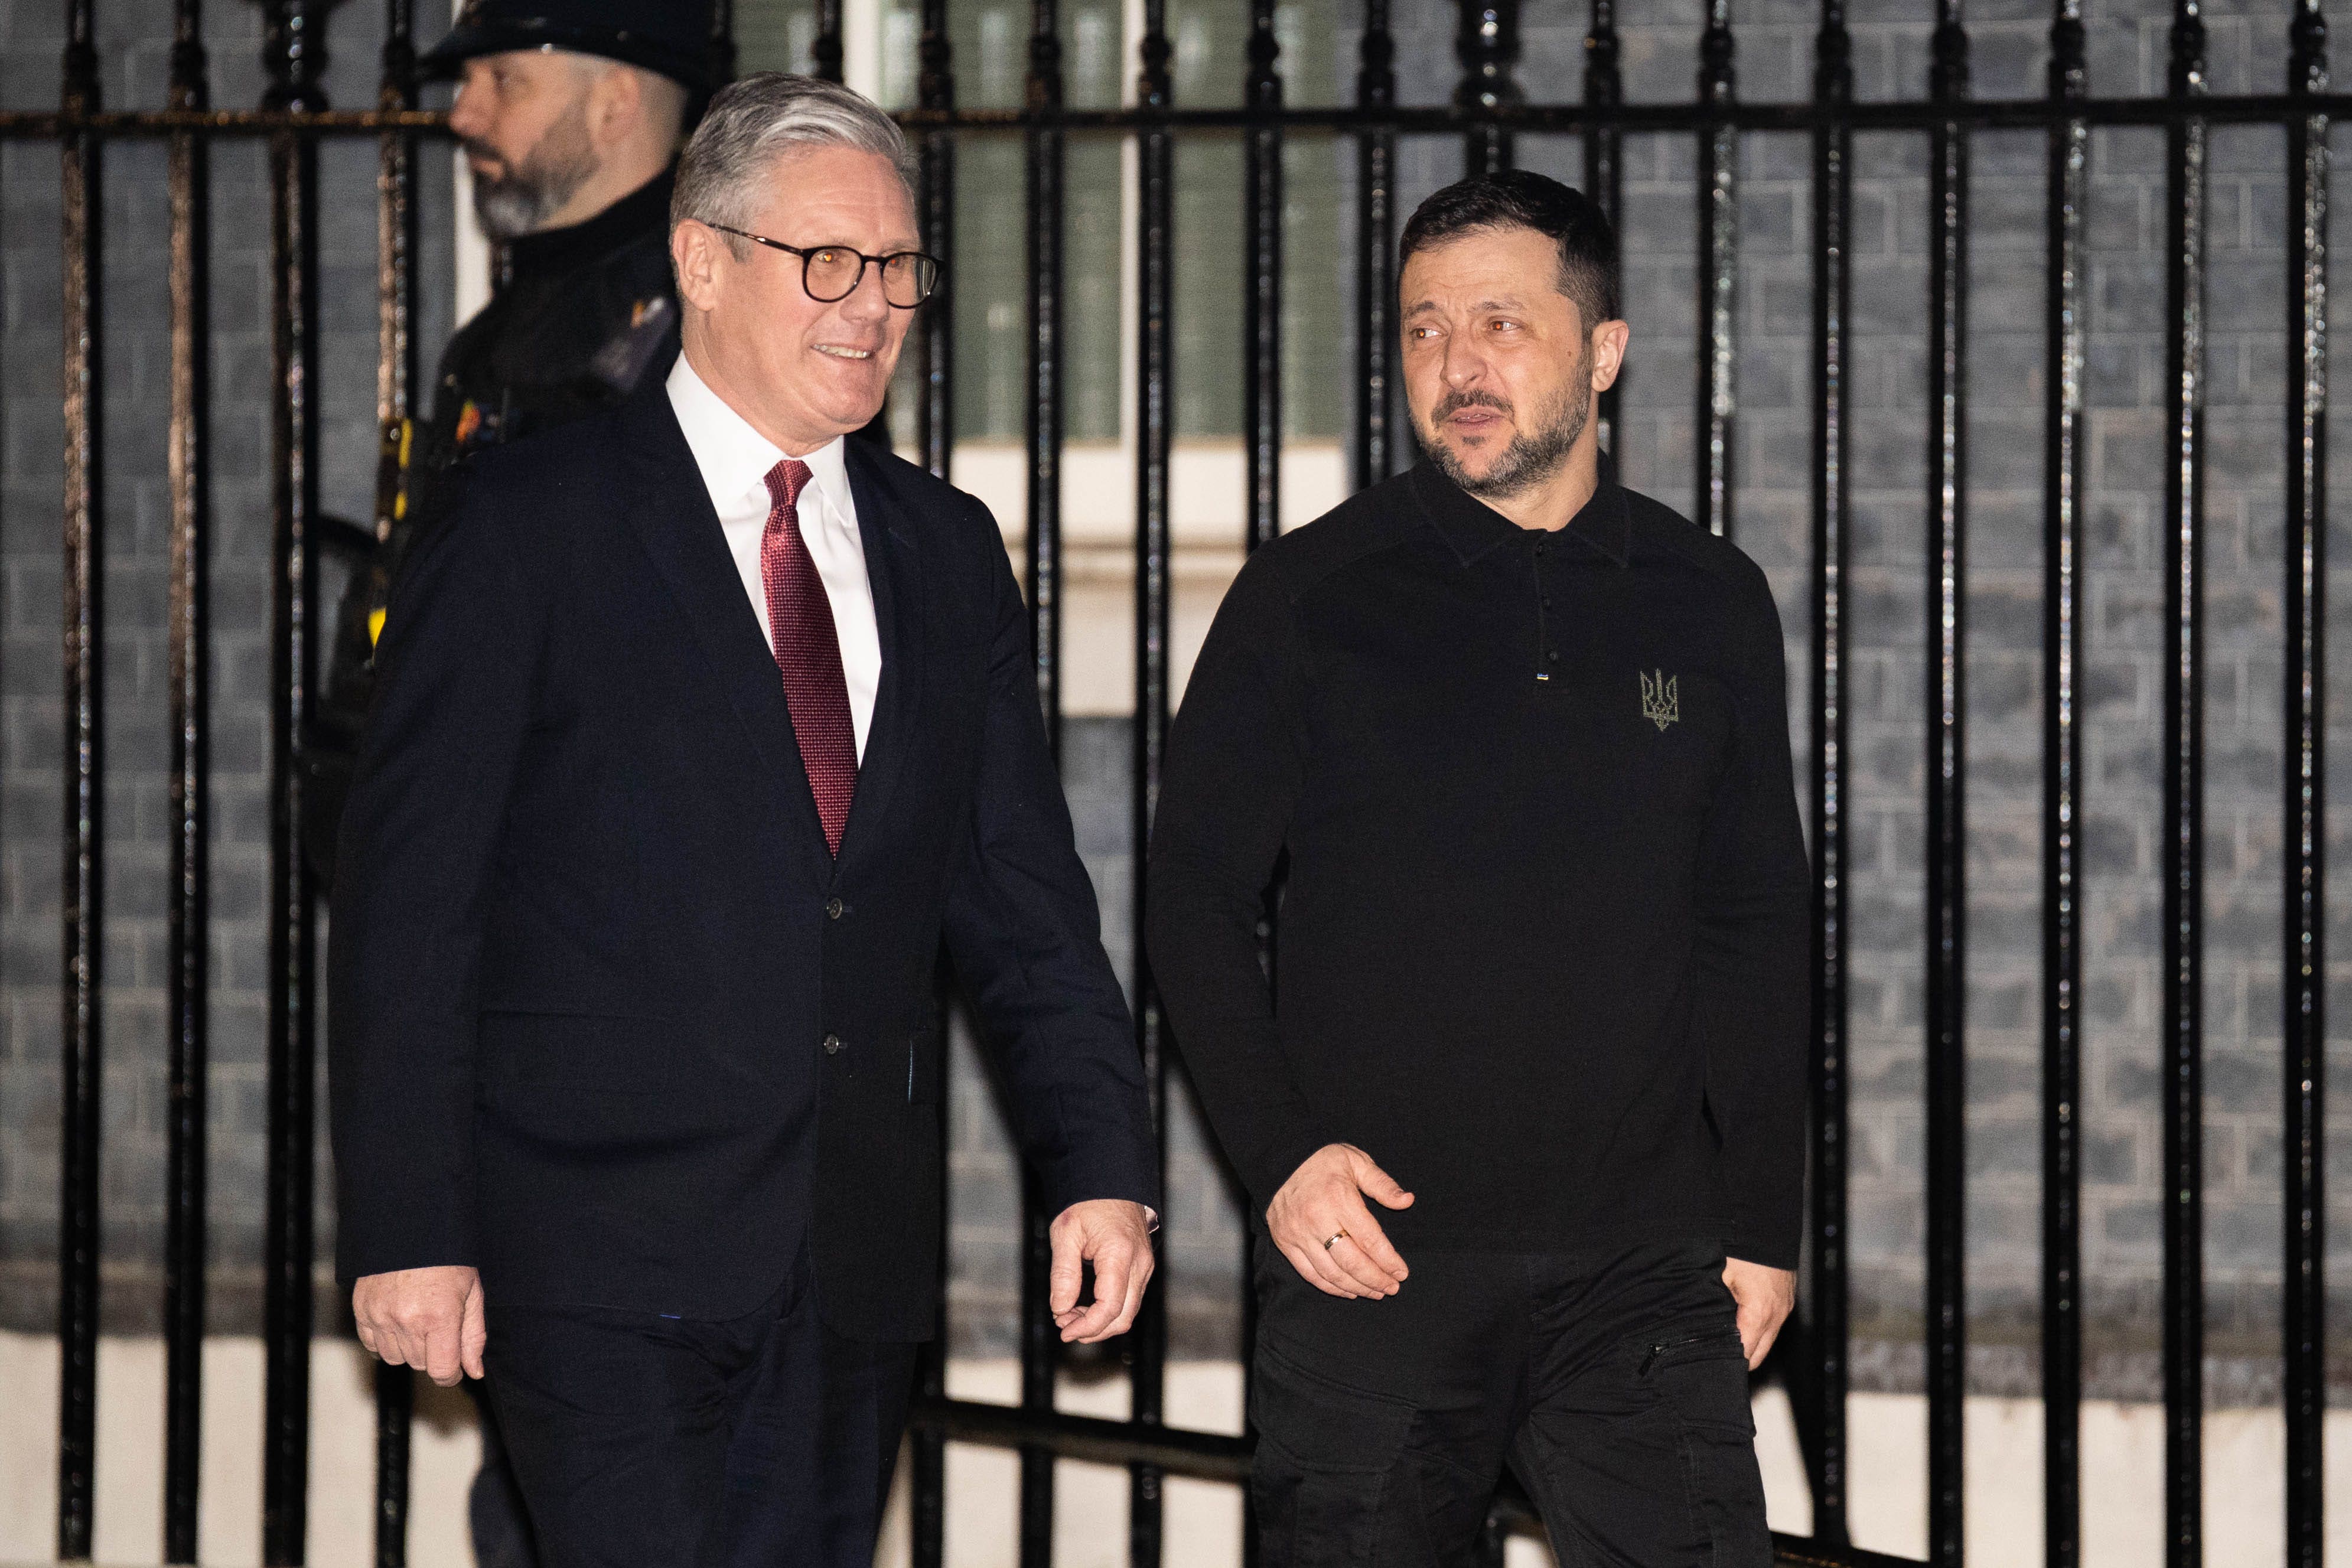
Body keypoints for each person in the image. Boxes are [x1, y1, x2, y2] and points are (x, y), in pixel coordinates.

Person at [329, 73, 1159, 1568]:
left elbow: (1023, 896)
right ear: (701, 261)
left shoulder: (946, 551)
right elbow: (412, 900)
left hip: (845, 1269)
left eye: (899, 266)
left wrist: (1100, 1159)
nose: (874, 304)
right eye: (826, 262)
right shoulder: (526, 524)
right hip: (591, 1255)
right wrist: (408, 1219)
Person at [1146, 171, 1809, 1567]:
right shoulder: (1308, 595)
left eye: (1503, 324)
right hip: (1375, 1262)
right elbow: (1191, 892)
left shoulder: (1708, 598)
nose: (1458, 366)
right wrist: (1279, 1157)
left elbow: (1752, 918)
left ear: (1602, 351)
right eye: (1425, 328)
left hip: (1644, 1271)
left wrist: (1762, 1212)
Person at [307, 0, 708, 882]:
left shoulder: (719, 339)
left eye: (504, 80)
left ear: (614, 105)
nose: (463, 112)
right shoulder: (492, 342)